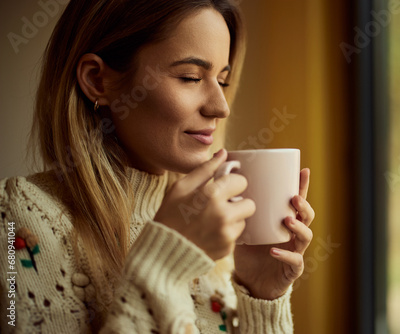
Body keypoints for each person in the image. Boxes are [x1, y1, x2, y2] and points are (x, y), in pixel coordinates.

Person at [0, 0, 315, 333]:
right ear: (97, 80)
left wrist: (261, 295)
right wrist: (162, 269)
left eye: (222, 80)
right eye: (191, 77)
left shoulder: (217, 238)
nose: (221, 107)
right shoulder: (13, 217)